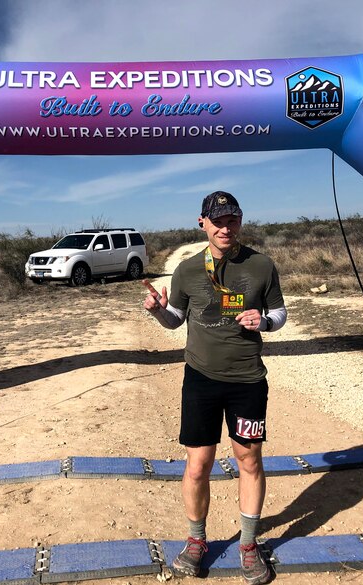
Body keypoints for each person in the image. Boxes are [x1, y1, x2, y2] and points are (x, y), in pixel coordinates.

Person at [142, 191, 287, 585]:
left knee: (250, 460)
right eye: (218, 221)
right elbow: (175, 320)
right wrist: (159, 311)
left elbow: (280, 311)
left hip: (247, 381)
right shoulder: (188, 270)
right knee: (198, 464)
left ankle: (248, 545)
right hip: (200, 380)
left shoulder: (261, 265)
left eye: (232, 220)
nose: (226, 228)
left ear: (240, 221)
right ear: (202, 223)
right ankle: (196, 542)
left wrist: (267, 322)